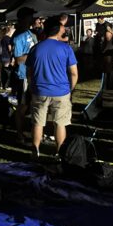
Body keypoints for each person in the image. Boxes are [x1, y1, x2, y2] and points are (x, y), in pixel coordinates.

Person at [26, 16, 78, 157]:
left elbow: (29, 73)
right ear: (58, 31)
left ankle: (35, 150)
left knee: (38, 122)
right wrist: (70, 89)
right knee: (60, 123)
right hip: (61, 91)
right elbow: (73, 73)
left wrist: (31, 87)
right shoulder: (65, 48)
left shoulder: (35, 48)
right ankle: (60, 152)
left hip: (39, 90)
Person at [12, 7, 38, 142]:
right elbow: (18, 59)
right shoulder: (18, 36)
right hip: (23, 76)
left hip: (33, 75)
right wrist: (35, 55)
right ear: (23, 18)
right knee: (22, 106)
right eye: (30, 16)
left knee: (33, 105)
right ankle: (19, 134)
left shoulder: (30, 33)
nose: (33, 18)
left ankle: (34, 133)